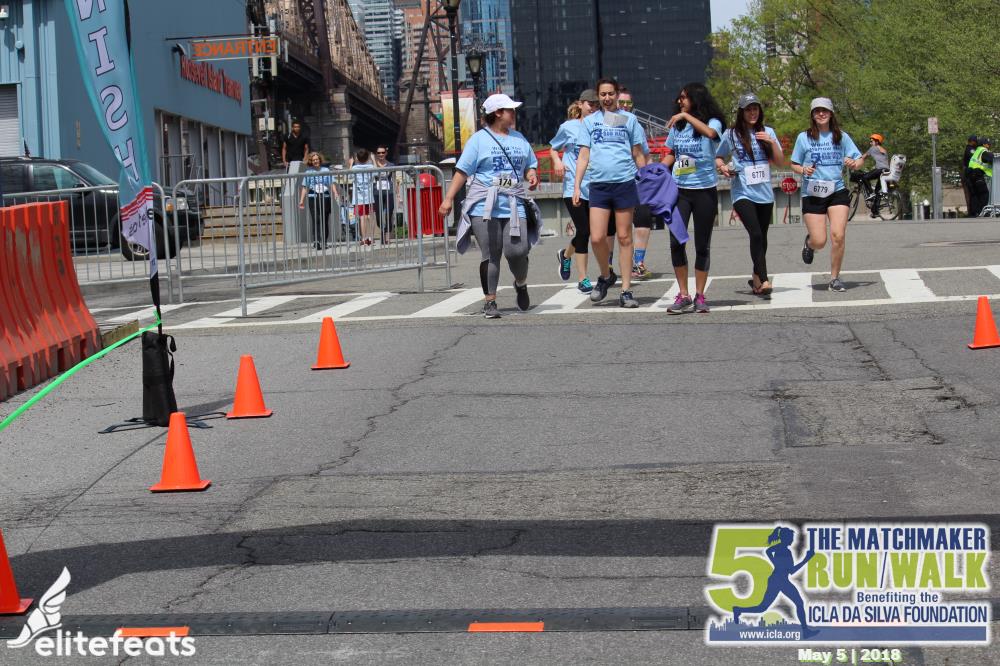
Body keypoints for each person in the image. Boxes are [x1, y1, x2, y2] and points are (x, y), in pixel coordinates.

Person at [439, 93, 541, 319]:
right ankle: (490, 301)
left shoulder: (519, 138)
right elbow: (462, 171)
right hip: (484, 204)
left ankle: (521, 282)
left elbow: (529, 165)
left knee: (517, 251)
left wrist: (532, 175)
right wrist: (448, 199)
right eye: (510, 110)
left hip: (514, 202)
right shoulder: (478, 140)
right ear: (498, 113)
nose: (514, 113)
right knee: (491, 253)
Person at [573, 78, 648, 308]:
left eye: (610, 94)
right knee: (597, 237)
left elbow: (638, 153)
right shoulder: (590, 122)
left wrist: (646, 181)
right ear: (598, 96)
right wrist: (576, 186)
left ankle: (626, 290)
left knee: (625, 237)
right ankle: (606, 275)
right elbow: (583, 156)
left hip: (624, 183)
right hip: (598, 185)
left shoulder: (629, 120)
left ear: (617, 95)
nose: (607, 98)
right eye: (603, 94)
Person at [663, 82, 726, 313]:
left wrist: (685, 117)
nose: (680, 101)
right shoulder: (678, 125)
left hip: (704, 191)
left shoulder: (712, 122)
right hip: (679, 191)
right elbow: (672, 154)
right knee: (676, 242)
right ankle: (683, 294)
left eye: (685, 97)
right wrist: (657, 170)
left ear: (697, 99)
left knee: (702, 245)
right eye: (679, 97)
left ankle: (700, 295)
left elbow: (711, 134)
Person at [791, 97, 864, 292]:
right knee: (820, 241)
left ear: (831, 114)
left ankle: (834, 278)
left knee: (838, 235)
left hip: (836, 190)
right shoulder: (803, 137)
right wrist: (803, 170)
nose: (821, 114)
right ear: (812, 115)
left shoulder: (841, 137)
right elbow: (794, 164)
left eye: (824, 110)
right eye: (817, 111)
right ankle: (809, 244)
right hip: (812, 192)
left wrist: (854, 163)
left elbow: (859, 160)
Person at [716, 92, 783, 297]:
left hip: (765, 193)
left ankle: (755, 278)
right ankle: (764, 279)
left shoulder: (768, 132)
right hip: (742, 192)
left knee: (762, 237)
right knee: (755, 234)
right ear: (741, 112)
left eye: (755, 109)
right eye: (748, 110)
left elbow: (780, 162)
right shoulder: (731, 134)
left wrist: (771, 142)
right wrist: (723, 167)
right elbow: (718, 157)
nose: (752, 113)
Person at [732, 526, 818, 638]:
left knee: (764, 607)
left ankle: (738, 609)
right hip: (779, 581)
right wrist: (806, 559)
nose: (793, 540)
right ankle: (805, 631)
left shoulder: (781, 549)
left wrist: (775, 562)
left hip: (779, 580)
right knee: (797, 603)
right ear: (785, 538)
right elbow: (792, 571)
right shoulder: (785, 551)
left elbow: (768, 551)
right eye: (791, 537)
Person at [551, 91, 598, 293]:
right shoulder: (568, 127)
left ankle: (565, 255)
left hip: (595, 186)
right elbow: (553, 148)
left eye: (596, 104)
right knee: (584, 231)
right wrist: (557, 161)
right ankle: (583, 278)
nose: (593, 108)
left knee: (593, 232)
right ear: (580, 104)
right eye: (590, 104)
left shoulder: (600, 126)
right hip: (573, 187)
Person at [297, 151, 336, 249]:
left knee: (324, 219)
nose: (315, 161)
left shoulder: (326, 170)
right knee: (316, 219)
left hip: (325, 196)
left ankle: (324, 241)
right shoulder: (308, 172)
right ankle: (316, 241)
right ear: (311, 161)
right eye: (313, 160)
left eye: (317, 159)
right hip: (312, 196)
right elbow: (305, 187)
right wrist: (301, 200)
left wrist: (335, 193)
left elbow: (331, 183)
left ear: (320, 160)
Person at [857, 133, 890, 217]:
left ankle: (871, 193)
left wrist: (854, 161)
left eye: (872, 141)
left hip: (880, 169)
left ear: (877, 142)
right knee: (878, 191)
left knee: (864, 177)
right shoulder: (884, 150)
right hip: (886, 171)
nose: (870, 143)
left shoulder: (873, 148)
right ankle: (875, 212)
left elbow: (863, 157)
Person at [372, 144, 397, 243]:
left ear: (386, 153)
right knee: (378, 215)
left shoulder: (391, 165)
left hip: (389, 191)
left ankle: (387, 235)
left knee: (389, 213)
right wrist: (374, 161)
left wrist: (397, 193)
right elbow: (372, 174)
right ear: (376, 154)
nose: (381, 154)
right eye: (379, 153)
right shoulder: (373, 165)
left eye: (383, 152)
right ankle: (382, 232)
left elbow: (395, 178)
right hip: (377, 192)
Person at [351, 148, 376, 245]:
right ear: (367, 157)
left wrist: (351, 163)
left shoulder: (354, 168)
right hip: (369, 196)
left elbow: (349, 176)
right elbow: (377, 172)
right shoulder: (371, 167)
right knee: (370, 216)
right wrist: (373, 160)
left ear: (357, 158)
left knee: (362, 217)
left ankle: (364, 238)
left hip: (359, 196)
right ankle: (371, 237)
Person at [968, 137, 994, 217]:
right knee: (984, 193)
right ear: (984, 144)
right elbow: (992, 158)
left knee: (975, 194)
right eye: (988, 144)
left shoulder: (977, 151)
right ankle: (982, 212)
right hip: (977, 174)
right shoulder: (984, 151)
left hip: (970, 174)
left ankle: (974, 213)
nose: (989, 145)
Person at [962, 135, 979, 215]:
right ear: (972, 141)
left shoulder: (971, 149)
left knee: (973, 193)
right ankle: (973, 211)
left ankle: (973, 211)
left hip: (970, 174)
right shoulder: (970, 149)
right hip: (970, 174)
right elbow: (975, 158)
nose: (976, 143)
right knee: (973, 193)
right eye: (975, 141)